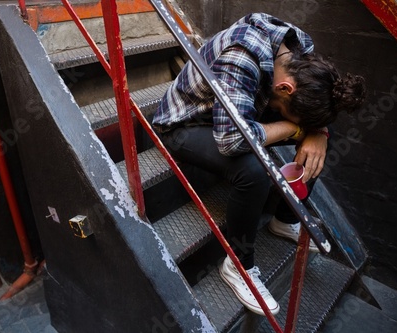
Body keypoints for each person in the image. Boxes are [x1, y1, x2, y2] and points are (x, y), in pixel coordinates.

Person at [152, 13, 366, 315]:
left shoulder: (298, 47)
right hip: (187, 124)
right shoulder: (241, 59)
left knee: (317, 140)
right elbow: (231, 141)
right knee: (253, 170)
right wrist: (295, 129)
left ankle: (284, 219)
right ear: (285, 89)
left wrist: (317, 132)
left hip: (240, 110)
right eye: (291, 113)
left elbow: (311, 112)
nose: (294, 124)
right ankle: (239, 264)